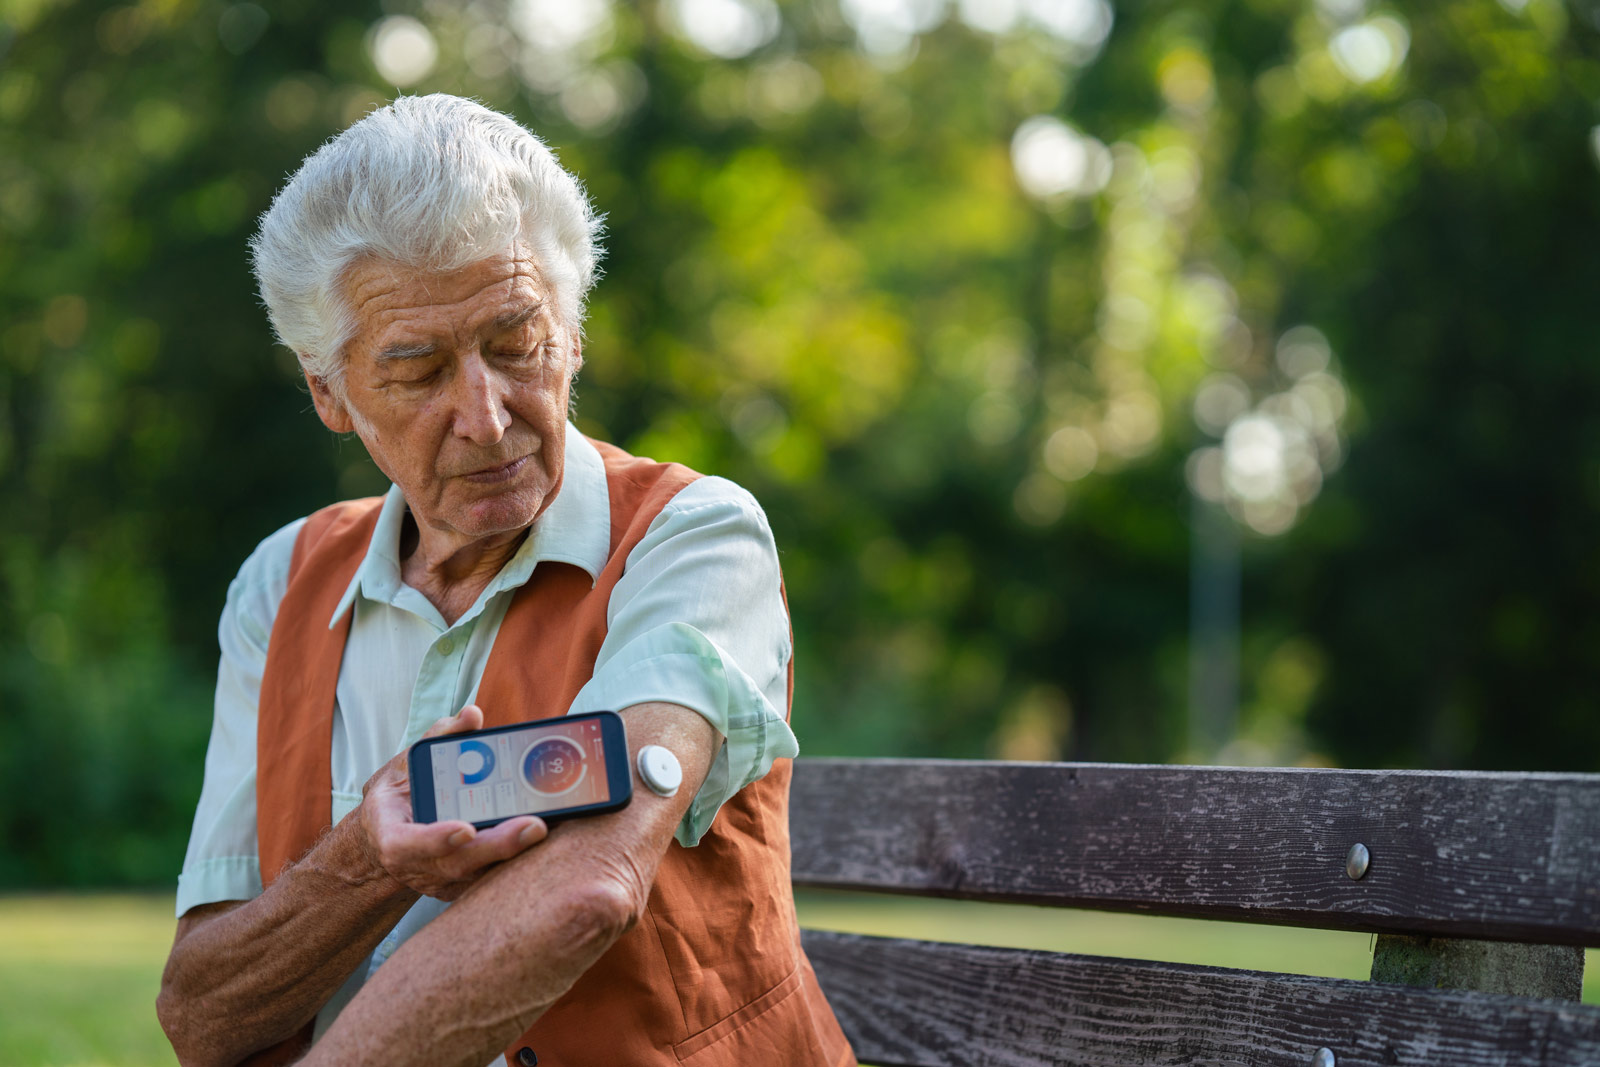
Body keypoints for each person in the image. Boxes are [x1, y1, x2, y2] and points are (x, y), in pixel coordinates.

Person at [156, 93, 854, 1067]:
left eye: (515, 343)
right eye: (418, 367)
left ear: (571, 336)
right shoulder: (279, 584)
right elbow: (204, 1014)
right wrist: (367, 858)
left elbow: (588, 884)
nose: (484, 415)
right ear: (330, 390)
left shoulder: (693, 538)